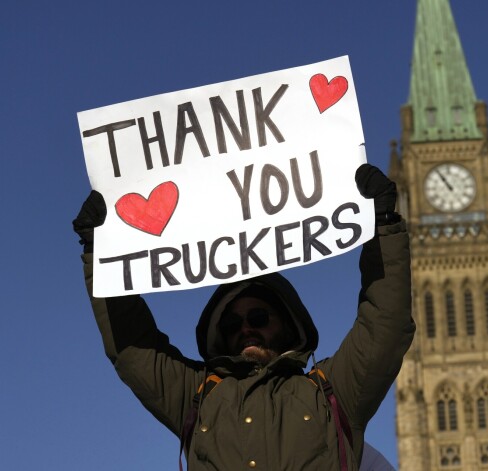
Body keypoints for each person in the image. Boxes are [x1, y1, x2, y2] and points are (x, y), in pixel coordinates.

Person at [73, 164, 414, 470]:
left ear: (287, 321)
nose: (246, 328)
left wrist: (383, 229)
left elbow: (385, 326)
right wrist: (101, 256)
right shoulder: (197, 397)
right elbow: (134, 349)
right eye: (232, 324)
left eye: (259, 316)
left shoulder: (330, 393)